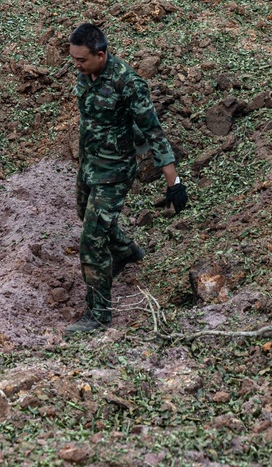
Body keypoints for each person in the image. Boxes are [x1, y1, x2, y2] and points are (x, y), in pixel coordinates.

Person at [66, 23, 187, 333]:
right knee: (86, 216)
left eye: (81, 60)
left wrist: (173, 181)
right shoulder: (85, 74)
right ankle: (125, 251)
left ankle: (99, 315)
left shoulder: (127, 83)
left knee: (91, 242)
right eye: (73, 60)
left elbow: (153, 131)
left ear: (101, 55)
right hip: (90, 164)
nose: (76, 66)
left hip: (115, 171)